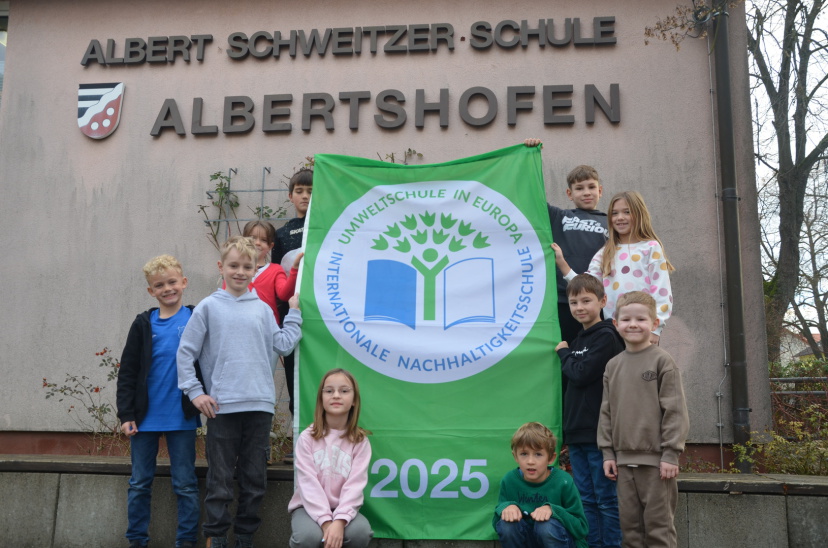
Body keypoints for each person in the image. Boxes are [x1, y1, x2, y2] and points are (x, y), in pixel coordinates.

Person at [177, 236, 303, 548]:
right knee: (219, 480)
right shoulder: (208, 307)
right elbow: (185, 353)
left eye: (247, 266)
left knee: (254, 479)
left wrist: (294, 312)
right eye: (233, 265)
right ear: (221, 267)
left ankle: (245, 538)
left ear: (255, 269)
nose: (240, 271)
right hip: (222, 407)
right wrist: (195, 393)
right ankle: (217, 537)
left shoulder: (262, 309)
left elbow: (283, 344)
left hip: (260, 406)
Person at [116, 254, 200, 548]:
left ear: (184, 282)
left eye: (172, 282)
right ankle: (137, 541)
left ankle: (186, 541)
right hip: (143, 419)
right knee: (139, 483)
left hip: (182, 417)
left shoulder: (196, 318)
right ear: (151, 291)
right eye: (159, 285)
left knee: (185, 484)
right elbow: (128, 372)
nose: (167, 289)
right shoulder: (143, 324)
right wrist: (126, 414)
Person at [597, 292, 689, 548]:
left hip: (657, 464)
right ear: (616, 324)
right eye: (626, 319)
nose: (633, 324)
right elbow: (606, 412)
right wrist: (608, 453)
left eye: (641, 319)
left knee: (659, 530)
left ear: (654, 323)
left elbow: (675, 410)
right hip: (622, 463)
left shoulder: (662, 361)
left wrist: (670, 454)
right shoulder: (612, 366)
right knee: (630, 532)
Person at [556, 274, 625, 548]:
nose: (579, 307)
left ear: (603, 301)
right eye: (574, 302)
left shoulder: (607, 336)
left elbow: (581, 373)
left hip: (599, 433)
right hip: (576, 432)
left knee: (606, 500)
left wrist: (563, 354)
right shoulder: (578, 340)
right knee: (585, 499)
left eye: (586, 301)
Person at [553, 190, 674, 345]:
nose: (620, 217)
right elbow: (586, 285)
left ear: (639, 214)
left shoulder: (650, 247)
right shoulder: (606, 252)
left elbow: (662, 291)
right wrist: (561, 262)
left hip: (643, 330)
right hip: (613, 332)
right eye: (615, 213)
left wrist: (656, 329)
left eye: (627, 212)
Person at [525, 138, 608, 344]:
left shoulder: (611, 221)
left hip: (598, 301)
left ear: (600, 190)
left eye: (591, 187)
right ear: (569, 194)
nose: (586, 192)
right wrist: (530, 156)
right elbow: (532, 196)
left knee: (597, 352)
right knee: (565, 350)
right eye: (579, 188)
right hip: (565, 300)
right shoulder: (559, 216)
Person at [288, 368, 373, 548]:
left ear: (354, 400)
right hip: (307, 508)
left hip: (344, 509)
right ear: (321, 399)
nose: (336, 395)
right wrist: (326, 522)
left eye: (344, 391)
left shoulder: (360, 442)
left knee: (360, 532)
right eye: (329, 391)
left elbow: (355, 486)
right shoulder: (307, 438)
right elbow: (308, 483)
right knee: (308, 537)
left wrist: (340, 521)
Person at [493, 422, 589, 548]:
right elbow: (497, 525)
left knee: (546, 526)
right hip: (527, 540)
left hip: (560, 541)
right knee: (507, 525)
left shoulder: (563, 481)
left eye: (538, 454)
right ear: (515, 456)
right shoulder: (509, 480)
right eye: (524, 454)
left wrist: (553, 511)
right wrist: (506, 507)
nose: (530, 461)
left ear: (551, 458)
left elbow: (581, 529)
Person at [271, 168, 313, 445]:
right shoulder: (282, 234)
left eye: (311, 191)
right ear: (290, 196)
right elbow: (278, 284)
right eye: (300, 191)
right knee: (295, 379)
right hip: (292, 319)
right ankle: (300, 444)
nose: (305, 196)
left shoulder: (330, 228)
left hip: (325, 318)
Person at [241, 220, 303, 325]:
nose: (257, 243)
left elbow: (284, 295)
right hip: (240, 326)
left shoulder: (276, 269)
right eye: (252, 238)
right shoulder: (236, 270)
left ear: (270, 246)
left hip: (268, 327)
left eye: (264, 240)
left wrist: (294, 269)